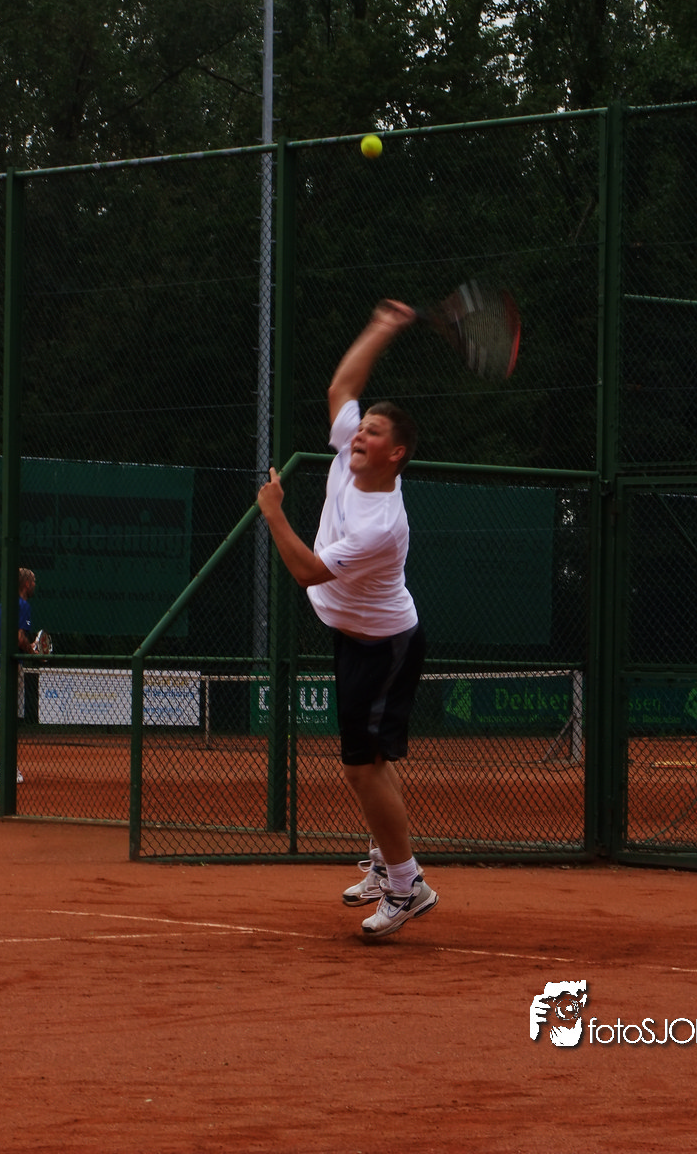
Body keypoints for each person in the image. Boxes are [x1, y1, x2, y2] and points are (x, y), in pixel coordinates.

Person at [257, 299, 438, 938]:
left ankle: (407, 886)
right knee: (371, 764)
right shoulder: (351, 455)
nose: (360, 435)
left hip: (384, 647)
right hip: (353, 636)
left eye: (375, 434)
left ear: (397, 454)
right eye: (363, 429)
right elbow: (342, 388)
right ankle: (388, 866)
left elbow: (308, 571)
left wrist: (273, 512)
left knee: (362, 767)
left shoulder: (379, 525)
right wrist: (381, 328)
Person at [0, 567, 37, 784]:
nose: (35, 586)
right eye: (33, 582)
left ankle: (0, 767)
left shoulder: (4, 604)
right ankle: (0, 769)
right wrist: (33, 651)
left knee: (3, 718)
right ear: (26, 584)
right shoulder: (23, 605)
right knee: (6, 719)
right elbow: (19, 638)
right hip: (8, 668)